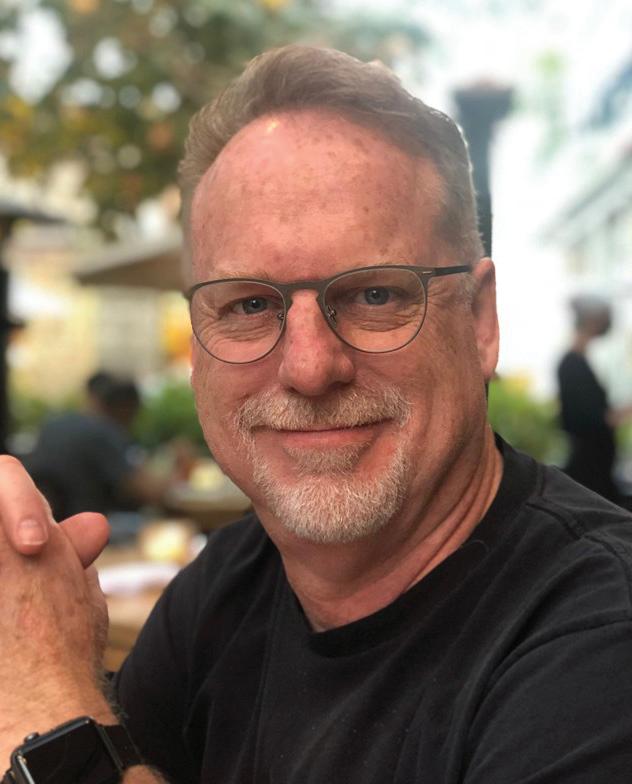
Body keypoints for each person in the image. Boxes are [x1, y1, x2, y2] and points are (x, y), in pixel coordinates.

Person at [2, 45, 632, 783]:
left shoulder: (602, 639)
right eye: (248, 305)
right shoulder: (228, 586)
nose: (308, 368)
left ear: (480, 321)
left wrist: (43, 705)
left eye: (374, 295)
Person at [25, 372, 165, 522]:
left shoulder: (52, 425)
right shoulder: (103, 432)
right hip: (88, 522)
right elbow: (146, 492)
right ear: (125, 408)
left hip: (48, 521)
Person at [557, 295, 632, 505]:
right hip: (590, 469)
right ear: (590, 322)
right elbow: (590, 419)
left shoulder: (577, 362)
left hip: (598, 468)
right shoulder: (572, 364)